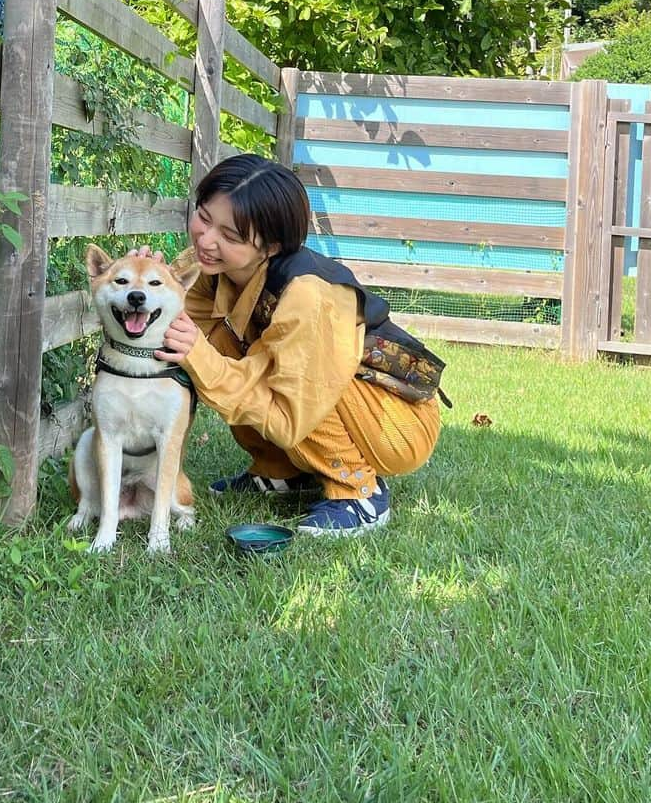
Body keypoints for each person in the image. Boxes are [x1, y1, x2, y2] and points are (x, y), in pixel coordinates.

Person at [143, 153, 442, 537]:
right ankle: (281, 472)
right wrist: (146, 286)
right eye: (203, 216)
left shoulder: (308, 296)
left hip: (394, 421)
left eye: (230, 236)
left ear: (270, 247)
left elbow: (288, 414)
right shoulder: (206, 265)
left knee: (249, 370)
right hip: (329, 399)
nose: (206, 239)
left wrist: (200, 356)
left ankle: (359, 492)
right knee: (230, 359)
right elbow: (171, 333)